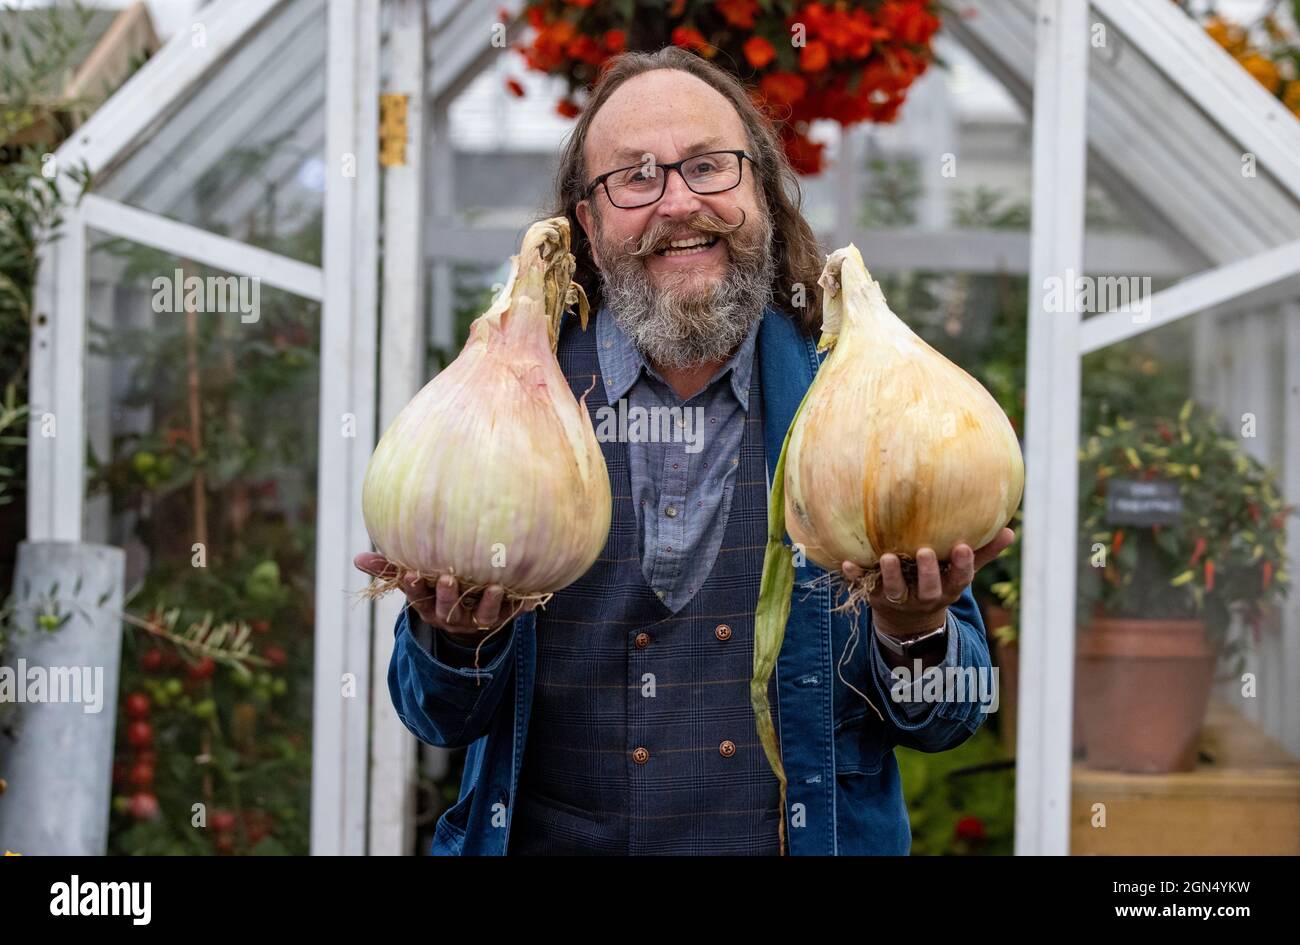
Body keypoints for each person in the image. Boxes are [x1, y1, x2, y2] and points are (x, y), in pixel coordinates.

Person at [355, 46, 1014, 855]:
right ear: (587, 226)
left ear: (762, 196)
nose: (678, 202)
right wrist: (456, 637)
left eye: (709, 167)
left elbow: (952, 712)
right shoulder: (505, 421)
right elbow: (434, 713)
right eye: (635, 177)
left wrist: (912, 623)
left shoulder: (859, 411)